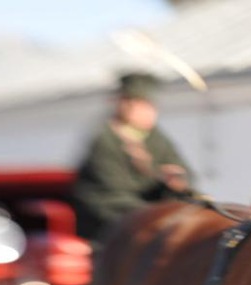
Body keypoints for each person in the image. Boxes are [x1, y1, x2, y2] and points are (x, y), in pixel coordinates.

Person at [71, 72, 194, 243]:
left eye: (150, 106)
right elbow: (113, 190)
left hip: (151, 209)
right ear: (124, 105)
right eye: (141, 106)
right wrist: (155, 213)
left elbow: (182, 170)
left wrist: (178, 182)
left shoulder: (156, 138)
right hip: (109, 215)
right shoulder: (105, 140)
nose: (149, 113)